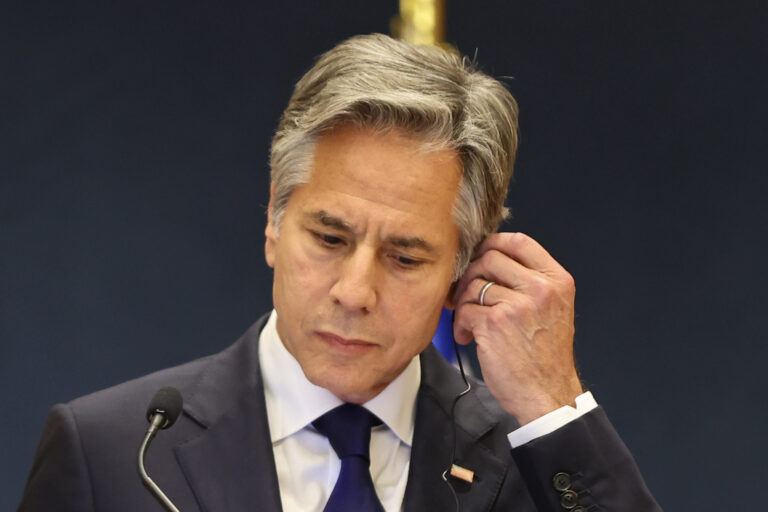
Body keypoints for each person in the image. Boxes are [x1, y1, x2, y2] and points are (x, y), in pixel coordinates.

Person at [19, 34, 661, 511]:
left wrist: (555, 408)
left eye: (406, 257)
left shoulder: (537, 466)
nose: (355, 292)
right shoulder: (114, 453)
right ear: (274, 217)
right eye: (329, 237)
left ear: (463, 266)